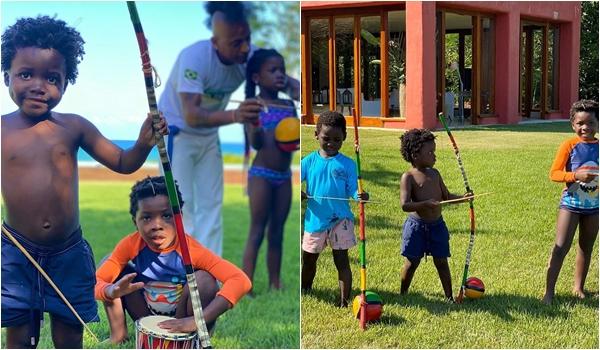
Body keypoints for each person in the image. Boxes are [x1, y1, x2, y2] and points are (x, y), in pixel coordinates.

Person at [0, 16, 167, 348]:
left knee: (69, 336)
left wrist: (144, 142)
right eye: (25, 74)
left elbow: (123, 162)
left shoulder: (74, 126)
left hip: (68, 252)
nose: (38, 85)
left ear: (66, 82)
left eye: (52, 77)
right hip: (17, 253)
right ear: (6, 76)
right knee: (18, 337)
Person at [158, 1, 300, 257]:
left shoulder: (250, 57)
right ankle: (182, 273)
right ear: (216, 43)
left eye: (247, 38)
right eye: (236, 42)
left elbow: (287, 83)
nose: (244, 48)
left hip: (209, 136)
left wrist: (307, 98)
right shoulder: (195, 58)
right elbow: (192, 114)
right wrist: (236, 114)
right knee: (181, 207)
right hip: (176, 134)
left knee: (212, 206)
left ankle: (209, 275)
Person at [95, 176, 252, 343]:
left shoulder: (191, 250)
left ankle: (194, 339)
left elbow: (241, 281)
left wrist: (197, 320)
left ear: (179, 218)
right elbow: (96, 281)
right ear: (135, 221)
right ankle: (118, 336)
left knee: (205, 280)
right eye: (147, 218)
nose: (157, 225)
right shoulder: (130, 245)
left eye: (167, 216)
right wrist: (110, 291)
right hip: (145, 315)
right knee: (111, 265)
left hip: (182, 316)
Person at [241, 49, 297, 293]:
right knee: (257, 230)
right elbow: (255, 143)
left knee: (278, 232)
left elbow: (293, 140)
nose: (280, 75)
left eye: (282, 70)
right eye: (272, 70)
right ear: (256, 77)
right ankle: (246, 284)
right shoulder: (253, 106)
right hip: (262, 175)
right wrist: (253, 125)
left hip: (284, 177)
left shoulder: (287, 104)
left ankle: (275, 282)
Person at [300, 111, 369, 307]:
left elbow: (354, 189)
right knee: (309, 260)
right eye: (326, 138)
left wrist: (360, 195)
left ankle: (344, 300)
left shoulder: (348, 164)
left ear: (345, 138)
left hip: (341, 220)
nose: (331, 143)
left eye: (337, 139)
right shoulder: (309, 161)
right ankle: (305, 290)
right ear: (316, 136)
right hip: (315, 220)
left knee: (342, 261)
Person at [399, 129, 471, 302]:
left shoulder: (435, 173)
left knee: (441, 261)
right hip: (416, 228)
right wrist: (424, 204)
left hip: (437, 226)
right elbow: (405, 205)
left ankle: (448, 297)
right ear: (415, 155)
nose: (434, 156)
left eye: (434, 151)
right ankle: (403, 294)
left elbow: (446, 197)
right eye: (430, 152)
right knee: (412, 262)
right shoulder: (408, 177)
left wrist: (463, 198)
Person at [543, 99, 599, 305]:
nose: (586, 128)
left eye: (591, 123)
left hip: (594, 207)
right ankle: (549, 293)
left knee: (587, 246)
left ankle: (578, 288)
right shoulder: (569, 145)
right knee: (560, 247)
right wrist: (576, 176)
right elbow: (554, 174)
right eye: (580, 123)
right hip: (571, 204)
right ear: (573, 125)